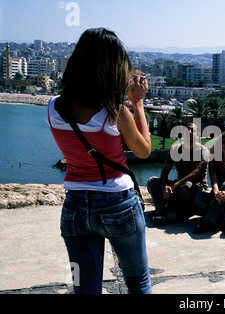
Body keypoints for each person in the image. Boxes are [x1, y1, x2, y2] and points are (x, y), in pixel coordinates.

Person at [46, 28, 152, 294]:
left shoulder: (53, 108)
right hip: (118, 203)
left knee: (85, 288)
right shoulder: (114, 112)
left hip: (75, 206)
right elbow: (143, 151)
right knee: (138, 282)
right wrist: (137, 103)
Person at [147, 121, 209, 224]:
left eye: (192, 130)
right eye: (187, 130)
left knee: (187, 186)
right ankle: (163, 211)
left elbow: (196, 173)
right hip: (179, 187)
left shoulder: (203, 151)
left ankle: (168, 211)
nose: (189, 132)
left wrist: (175, 185)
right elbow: (165, 171)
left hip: (196, 187)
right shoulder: (175, 149)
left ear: (197, 134)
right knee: (152, 181)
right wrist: (164, 187)